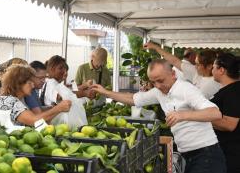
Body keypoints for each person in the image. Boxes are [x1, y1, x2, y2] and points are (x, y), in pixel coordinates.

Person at [91, 59, 226, 173]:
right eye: (153, 82)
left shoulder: (186, 89)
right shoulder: (158, 92)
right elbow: (133, 98)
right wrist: (106, 93)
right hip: (189, 155)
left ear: (173, 74)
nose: (157, 86)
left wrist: (182, 114)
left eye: (160, 80)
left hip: (206, 155)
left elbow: (215, 113)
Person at [0, 65, 71, 126]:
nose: (33, 86)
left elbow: (27, 112)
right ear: (19, 83)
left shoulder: (12, 98)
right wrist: (58, 109)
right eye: (29, 83)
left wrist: (51, 108)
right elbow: (34, 120)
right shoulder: (10, 101)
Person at [144, 42, 221, 99]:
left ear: (209, 66)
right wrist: (156, 47)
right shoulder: (196, 73)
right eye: (195, 63)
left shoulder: (212, 84)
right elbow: (174, 61)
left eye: (198, 64)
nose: (195, 66)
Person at [210, 53, 240, 173]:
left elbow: (229, 124)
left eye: (213, 67)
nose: (211, 70)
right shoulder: (230, 89)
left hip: (232, 155)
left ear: (221, 70)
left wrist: (200, 117)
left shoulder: (234, 91)